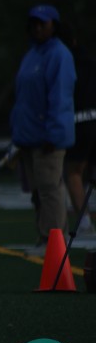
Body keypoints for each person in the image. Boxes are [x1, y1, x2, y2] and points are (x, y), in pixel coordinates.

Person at [10, 4, 75, 250]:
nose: (37, 28)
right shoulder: (32, 54)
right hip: (29, 137)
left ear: (53, 26)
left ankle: (54, 242)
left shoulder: (59, 54)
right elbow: (22, 98)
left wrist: (54, 134)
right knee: (38, 192)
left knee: (50, 189)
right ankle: (44, 237)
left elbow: (60, 98)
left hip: (47, 138)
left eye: (43, 23)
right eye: (34, 23)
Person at [60, 23, 96, 235]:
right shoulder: (90, 61)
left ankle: (84, 223)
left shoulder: (65, 61)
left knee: (74, 172)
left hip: (78, 120)